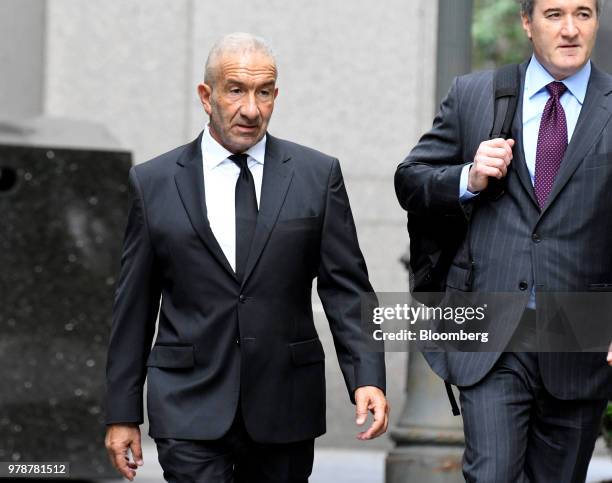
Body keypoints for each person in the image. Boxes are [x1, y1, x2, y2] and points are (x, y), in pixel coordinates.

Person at [104, 32, 387, 482]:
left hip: (285, 403)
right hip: (188, 403)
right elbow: (134, 306)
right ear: (206, 95)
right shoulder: (153, 183)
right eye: (236, 90)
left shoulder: (317, 176)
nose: (251, 109)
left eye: (264, 92)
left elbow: (347, 289)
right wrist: (122, 411)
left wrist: (367, 376)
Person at [395, 0, 612, 481]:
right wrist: (468, 177)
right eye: (554, 14)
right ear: (526, 22)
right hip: (492, 333)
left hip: (580, 337)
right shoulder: (476, 95)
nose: (571, 29)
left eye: (584, 13)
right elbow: (409, 180)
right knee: (490, 474)